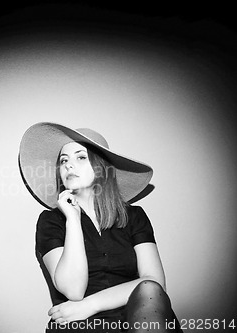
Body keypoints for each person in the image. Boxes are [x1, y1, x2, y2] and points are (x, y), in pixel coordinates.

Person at [18, 123, 183, 332]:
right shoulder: (51, 221)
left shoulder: (134, 216)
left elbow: (154, 283)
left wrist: (90, 305)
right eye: (63, 160)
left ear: (101, 167)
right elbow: (73, 291)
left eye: (80, 157)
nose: (68, 165)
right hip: (80, 325)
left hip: (140, 316)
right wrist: (73, 219)